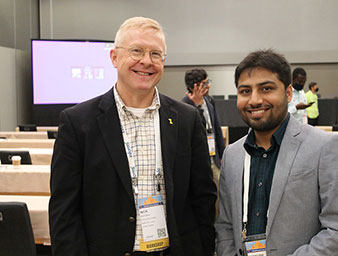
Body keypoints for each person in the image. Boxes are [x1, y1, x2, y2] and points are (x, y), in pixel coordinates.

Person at [49, 17, 217, 256]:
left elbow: (203, 199)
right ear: (114, 57)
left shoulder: (186, 119)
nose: (146, 61)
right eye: (136, 51)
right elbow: (64, 211)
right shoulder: (78, 123)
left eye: (156, 54)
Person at [215, 49, 338, 256]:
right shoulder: (232, 155)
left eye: (266, 89)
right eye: (245, 91)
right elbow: (226, 226)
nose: (254, 100)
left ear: (288, 93)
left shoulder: (325, 147)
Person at [182, 68, 225, 191]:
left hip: (214, 158)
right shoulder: (185, 105)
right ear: (194, 87)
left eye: (208, 82)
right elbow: (195, 130)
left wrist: (222, 154)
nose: (208, 86)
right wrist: (196, 105)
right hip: (199, 161)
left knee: (220, 192)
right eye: (205, 84)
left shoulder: (209, 100)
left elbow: (216, 127)